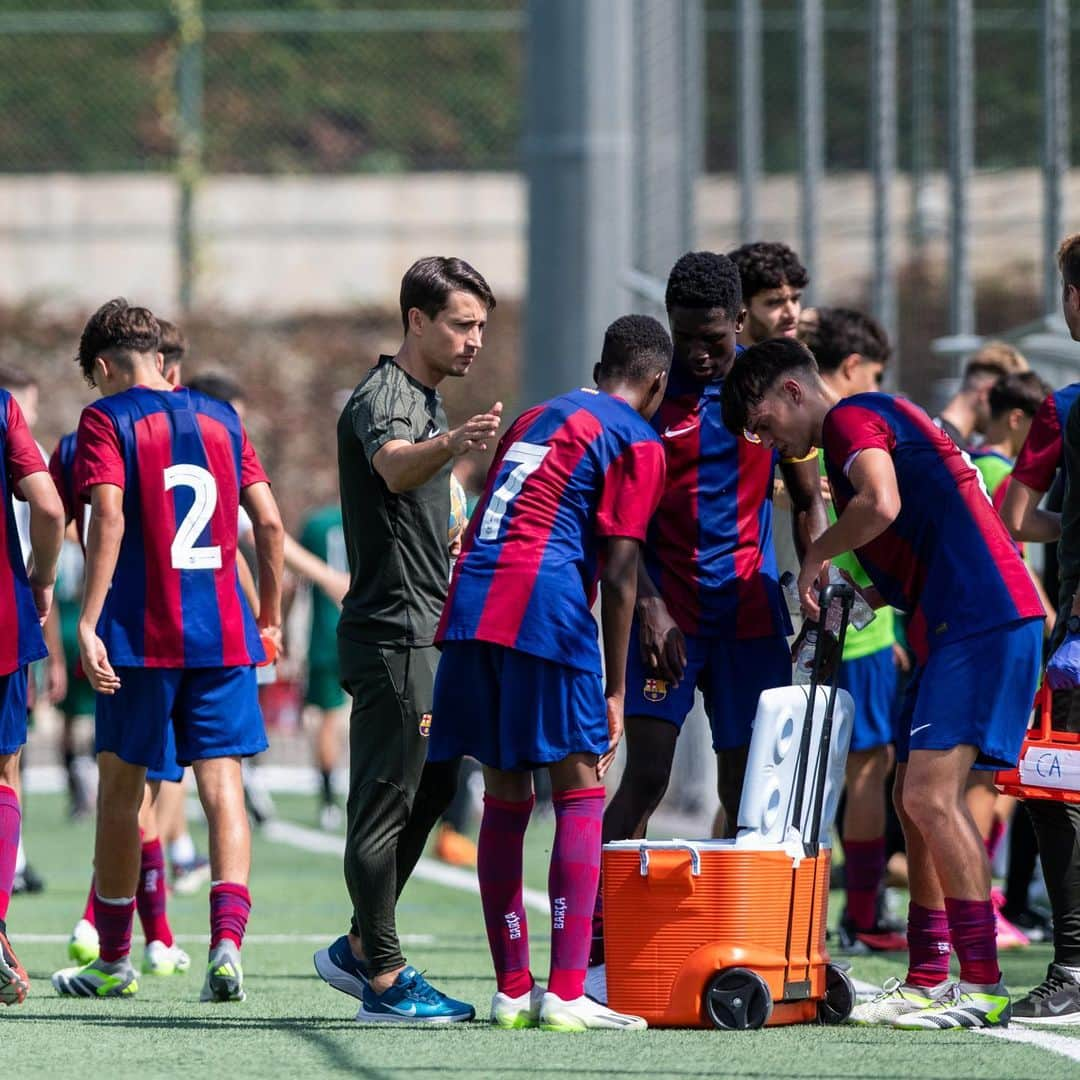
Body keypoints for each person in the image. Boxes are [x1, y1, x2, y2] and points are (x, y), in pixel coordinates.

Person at [721, 337, 1044, 1030]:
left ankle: (980, 982)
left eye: (763, 424)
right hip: (969, 620)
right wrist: (848, 594)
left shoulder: (850, 418)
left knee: (931, 797)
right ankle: (928, 975)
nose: (767, 441)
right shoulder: (871, 426)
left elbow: (883, 501)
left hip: (980, 618)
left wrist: (814, 554)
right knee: (914, 796)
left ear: (791, 392)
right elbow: (904, 547)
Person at [589, 252, 827, 983]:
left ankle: (743, 936)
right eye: (686, 334)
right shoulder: (651, 392)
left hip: (749, 616)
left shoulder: (763, 386)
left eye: (714, 337)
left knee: (748, 787)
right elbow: (614, 526)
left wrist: (817, 576)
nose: (700, 351)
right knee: (648, 777)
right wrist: (651, 605)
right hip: (666, 618)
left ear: (738, 324)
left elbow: (809, 494)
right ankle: (599, 942)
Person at [430, 314, 668, 1031]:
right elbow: (623, 574)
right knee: (578, 785)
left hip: (473, 603)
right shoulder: (636, 437)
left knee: (504, 791)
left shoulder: (538, 414)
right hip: (543, 606)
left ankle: (511, 991)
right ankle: (566, 993)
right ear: (656, 382)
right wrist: (618, 690)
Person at [51, 299, 284, 1002]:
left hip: (141, 636)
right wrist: (267, 615)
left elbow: (110, 517)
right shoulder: (222, 418)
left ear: (102, 367)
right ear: (160, 354)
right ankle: (226, 948)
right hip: (222, 634)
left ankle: (115, 961)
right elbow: (268, 524)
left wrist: (89, 620)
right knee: (224, 788)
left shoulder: (106, 418)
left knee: (123, 793)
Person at [313, 256, 501, 1023]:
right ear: (417, 320)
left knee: (437, 785)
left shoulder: (422, 400)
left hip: (431, 631)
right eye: (461, 323)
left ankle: (361, 946)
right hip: (394, 636)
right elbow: (392, 470)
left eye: (482, 326)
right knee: (385, 803)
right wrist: (454, 442)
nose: (474, 341)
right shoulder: (387, 398)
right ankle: (382, 978)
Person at [49, 428, 192, 978]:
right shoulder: (183, 437)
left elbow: (58, 521)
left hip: (112, 624)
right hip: (161, 631)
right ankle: (125, 936)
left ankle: (122, 931)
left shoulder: (72, 443)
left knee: (128, 793)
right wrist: (262, 611)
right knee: (149, 795)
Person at [801, 307, 907, 953]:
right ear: (849, 368)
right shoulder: (844, 426)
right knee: (866, 767)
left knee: (784, 762)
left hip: (853, 615)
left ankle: (850, 910)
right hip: (845, 619)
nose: (879, 384)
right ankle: (862, 915)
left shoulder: (824, 429)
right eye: (874, 371)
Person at [1002, 231, 1080, 1023]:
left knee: (1057, 794)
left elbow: (1013, 515)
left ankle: (1074, 965)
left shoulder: (1065, 407)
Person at [967, 371, 1055, 951]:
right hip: (1003, 631)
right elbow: (1009, 549)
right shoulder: (999, 472)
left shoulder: (980, 464)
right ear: (1019, 419)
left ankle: (981, 903)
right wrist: (1045, 612)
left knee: (995, 776)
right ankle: (972, 908)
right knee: (988, 778)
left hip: (986, 631)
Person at [0, 390, 65, 1005]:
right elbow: (48, 507)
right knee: (3, 773)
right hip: (0, 617)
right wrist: (41, 580)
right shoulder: (2, 408)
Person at [933, 342, 1029, 449]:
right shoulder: (938, 448)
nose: (1005, 418)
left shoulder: (938, 441)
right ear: (987, 393)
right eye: (1007, 405)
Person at [728, 241, 808, 347]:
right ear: (738, 310)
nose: (792, 314)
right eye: (774, 302)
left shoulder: (807, 359)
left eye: (795, 299)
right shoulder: (716, 361)